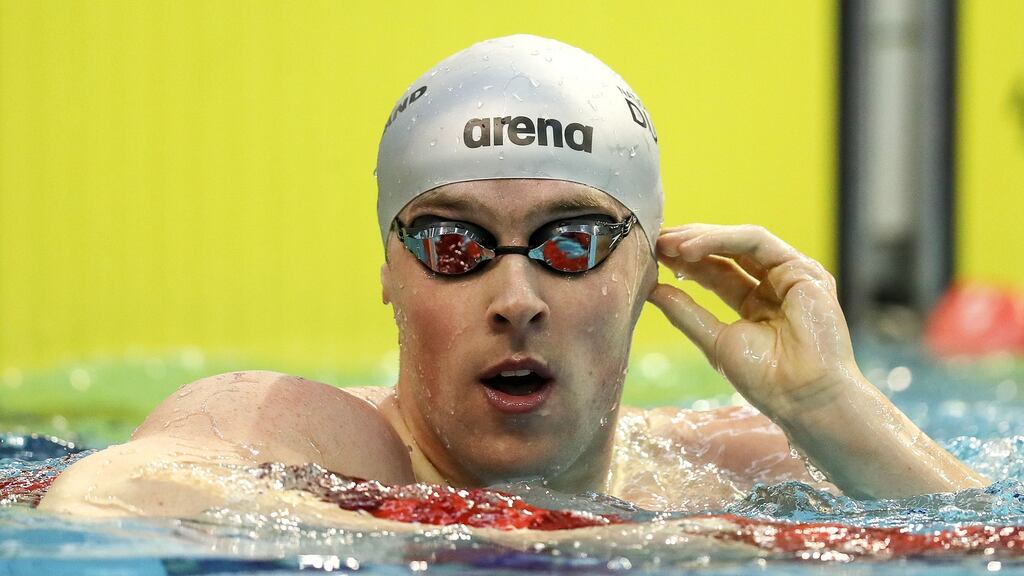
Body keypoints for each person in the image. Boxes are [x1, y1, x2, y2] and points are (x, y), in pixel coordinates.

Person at [40, 34, 986, 518]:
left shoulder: (726, 464)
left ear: (650, 266)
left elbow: (985, 543)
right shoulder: (311, 440)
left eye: (570, 243)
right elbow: (99, 499)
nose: (517, 300)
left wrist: (831, 405)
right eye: (455, 245)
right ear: (389, 270)